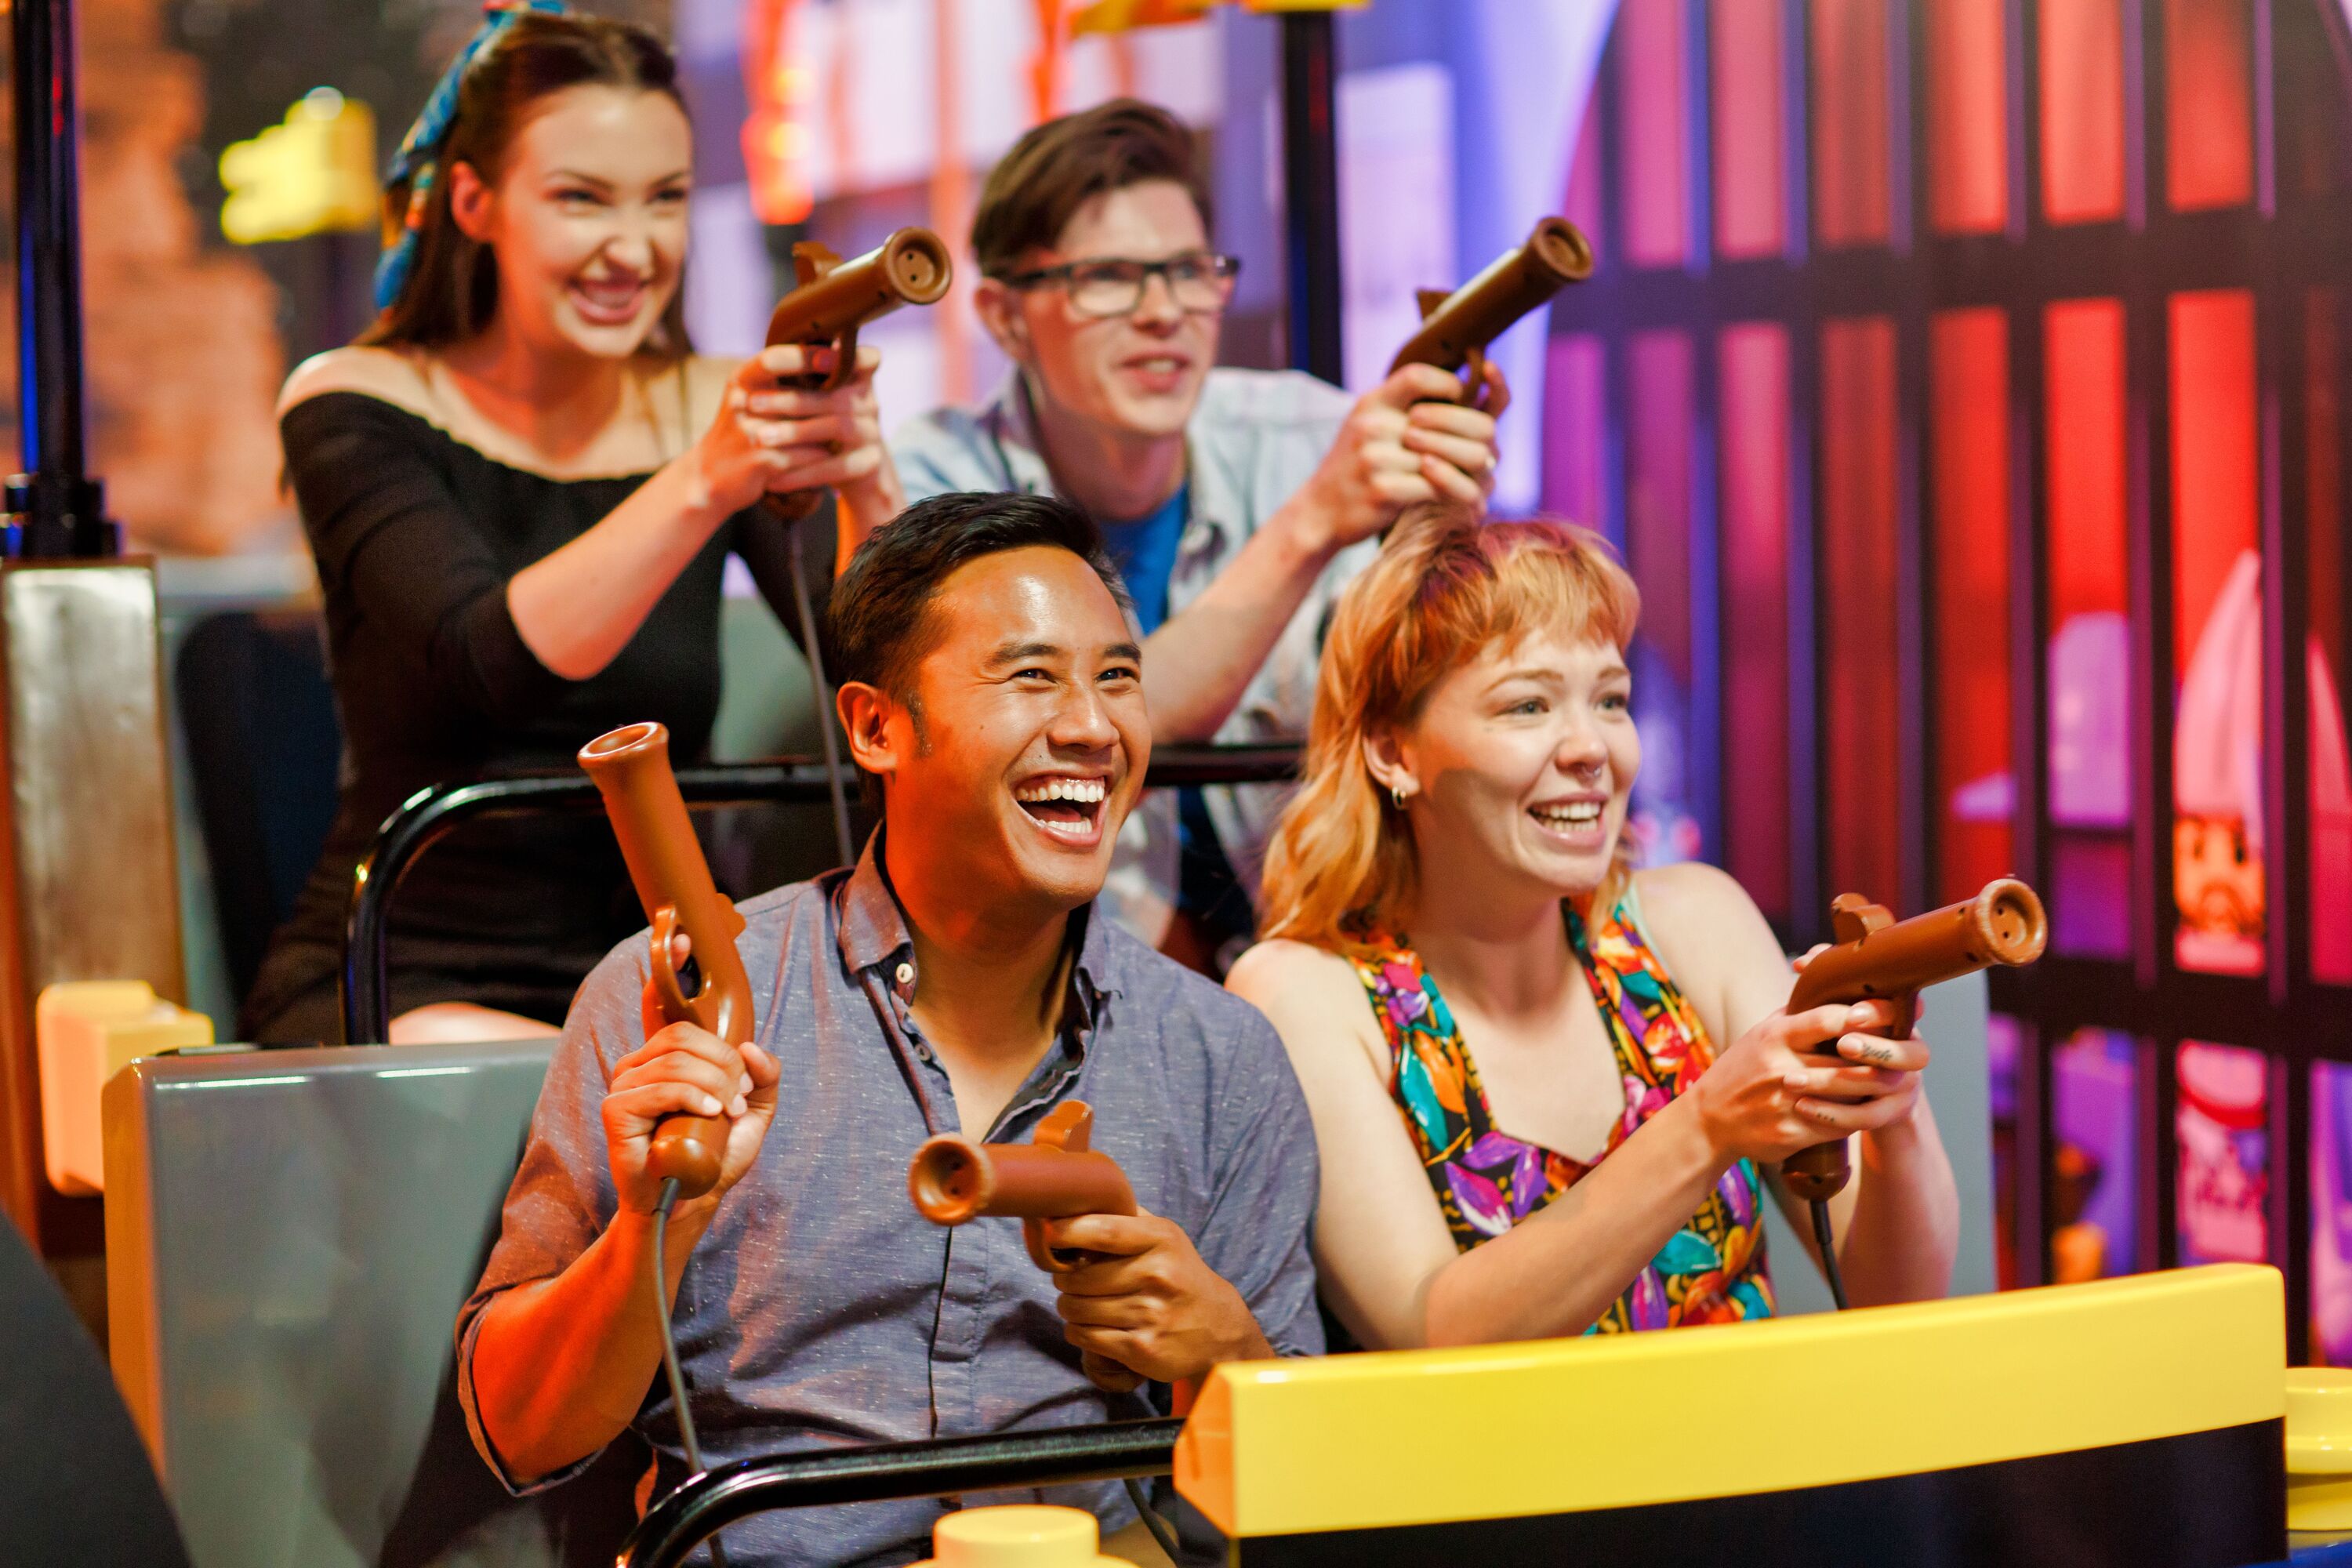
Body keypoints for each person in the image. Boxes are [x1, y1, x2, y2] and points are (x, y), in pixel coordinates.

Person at [456, 491, 1321, 1565]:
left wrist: (1223, 1350)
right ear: (876, 727)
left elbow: (1305, 1492)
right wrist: (653, 1222)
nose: (1093, 728)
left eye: (1117, 678)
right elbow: (519, 1430)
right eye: (1032, 676)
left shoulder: (1222, 1055)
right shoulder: (672, 1002)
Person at [241, 6, 900, 1045]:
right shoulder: (353, 402)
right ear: (474, 202)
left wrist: (868, 483)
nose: (632, 248)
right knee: (606, 1097)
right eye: (580, 199)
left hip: (665, 976)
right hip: (410, 973)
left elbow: (884, 670)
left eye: (665, 198)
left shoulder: (709, 406)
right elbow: (486, 661)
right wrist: (705, 479)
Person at [1226, 508, 1959, 1348]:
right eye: (1528, 705)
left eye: (1610, 700)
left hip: (1758, 1434)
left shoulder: (1695, 924)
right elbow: (1434, 1332)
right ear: (1393, 750)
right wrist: (1707, 1125)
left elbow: (1895, 1295)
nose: (1591, 748)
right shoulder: (1305, 992)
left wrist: (1893, 1116)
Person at [888, 99, 1507, 970]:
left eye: (1189, 271)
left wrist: (1445, 539)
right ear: (1004, 314)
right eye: (1108, 277)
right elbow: (1075, 731)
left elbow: (1435, 722)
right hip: (1049, 974)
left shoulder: (1309, 435)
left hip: (1326, 949)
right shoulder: (936, 482)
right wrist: (1310, 527)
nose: (1164, 311)